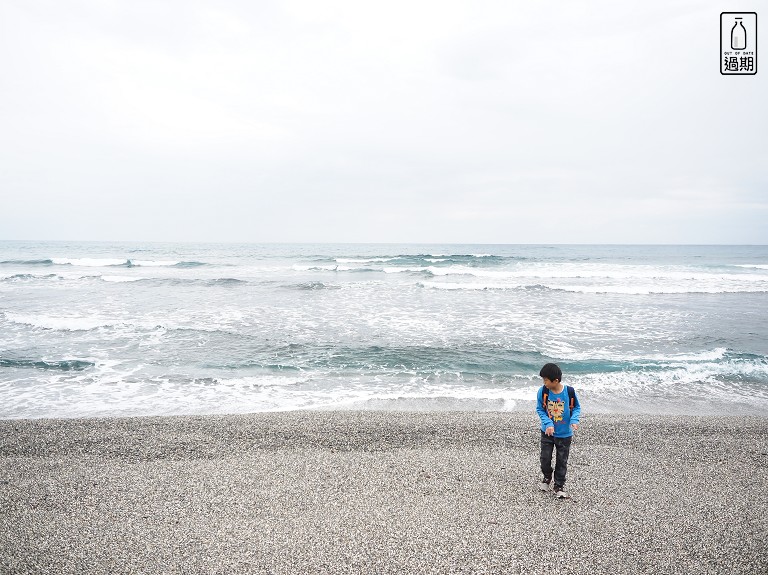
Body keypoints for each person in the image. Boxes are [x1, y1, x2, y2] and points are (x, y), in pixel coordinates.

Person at [536, 363, 581, 499]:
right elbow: (540, 409)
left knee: (562, 460)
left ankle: (559, 485)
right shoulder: (543, 391)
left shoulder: (569, 392)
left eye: (546, 380)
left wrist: (574, 420)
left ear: (555, 381)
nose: (544, 383)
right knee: (545, 458)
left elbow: (577, 408)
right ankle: (547, 476)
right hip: (547, 433)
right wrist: (548, 423)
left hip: (565, 434)